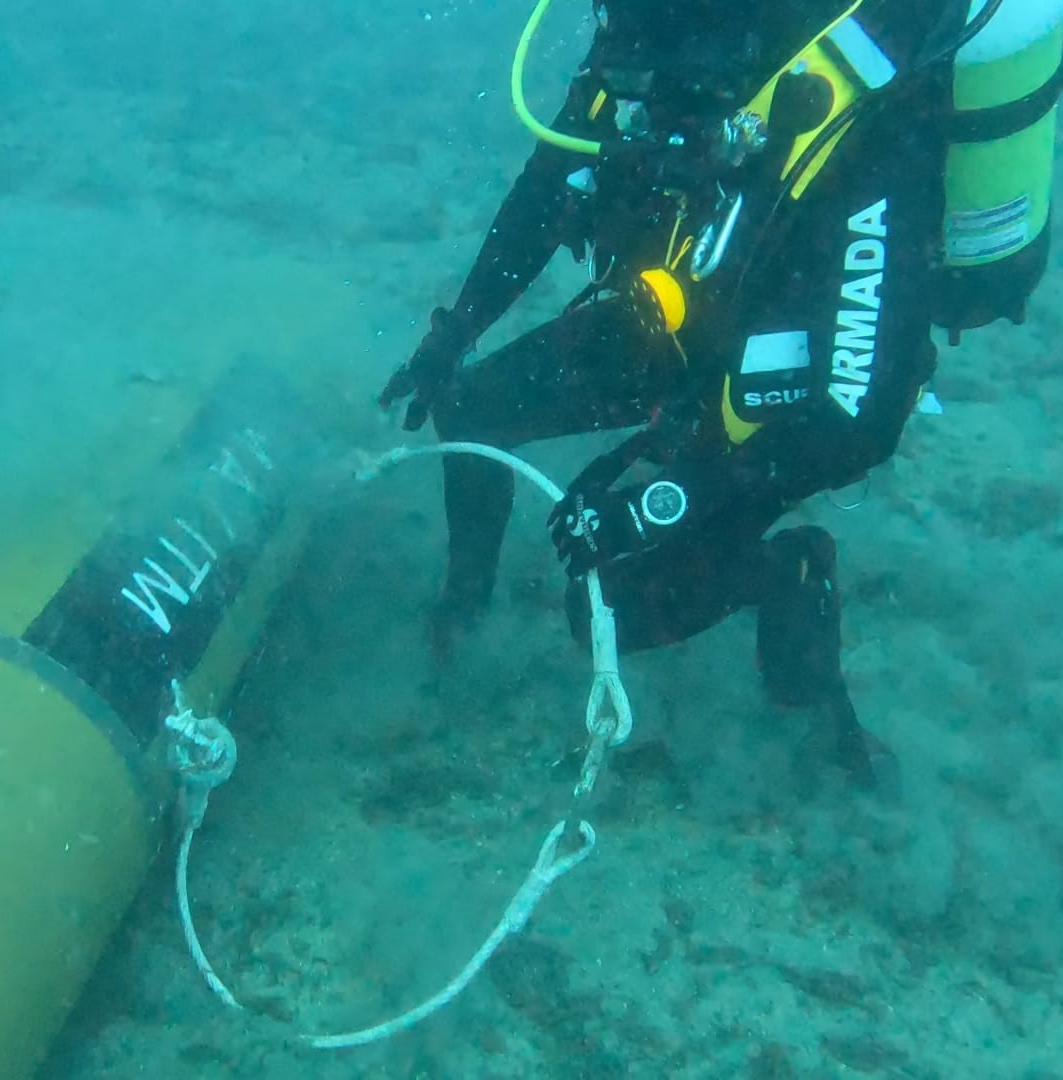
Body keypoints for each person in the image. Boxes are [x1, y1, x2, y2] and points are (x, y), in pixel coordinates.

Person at [379, 0, 1005, 787]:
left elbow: (856, 423)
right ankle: (463, 613)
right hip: (670, 330)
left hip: (778, 404)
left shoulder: (859, 114)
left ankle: (791, 584)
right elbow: (546, 192)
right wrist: (453, 334)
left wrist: (655, 502)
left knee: (605, 606)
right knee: (472, 404)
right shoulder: (641, 52)